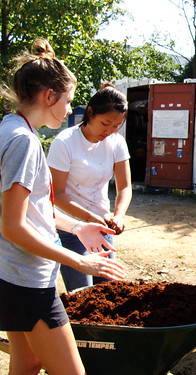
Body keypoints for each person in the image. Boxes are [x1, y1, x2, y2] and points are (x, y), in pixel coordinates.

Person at [0, 39, 126, 375]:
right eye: (68, 101)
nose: (70, 110)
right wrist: (78, 260)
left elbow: (32, 211)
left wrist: (76, 227)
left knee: (27, 362)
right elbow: (12, 226)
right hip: (27, 280)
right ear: (49, 97)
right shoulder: (24, 142)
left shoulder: (9, 127)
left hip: (12, 274)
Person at [47, 83, 132, 292]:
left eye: (116, 126)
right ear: (90, 112)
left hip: (103, 229)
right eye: (105, 123)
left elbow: (125, 187)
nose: (110, 131)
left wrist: (119, 216)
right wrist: (89, 218)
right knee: (82, 295)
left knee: (109, 292)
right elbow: (56, 195)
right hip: (70, 230)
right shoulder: (65, 142)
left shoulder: (117, 143)